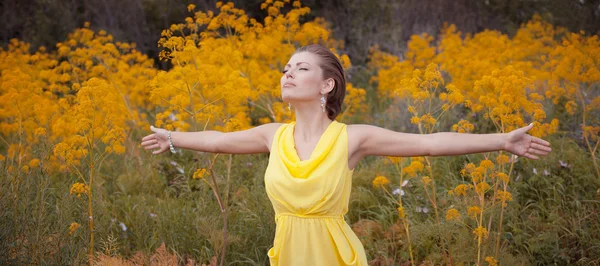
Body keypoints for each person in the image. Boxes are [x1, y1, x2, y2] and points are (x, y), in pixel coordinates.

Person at [140, 44, 552, 266]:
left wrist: (501, 141)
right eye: (286, 67)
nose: (287, 73)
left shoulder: (352, 138)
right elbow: (216, 140)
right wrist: (172, 136)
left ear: (326, 86)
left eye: (301, 68)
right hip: (288, 258)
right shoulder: (271, 136)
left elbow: (429, 143)